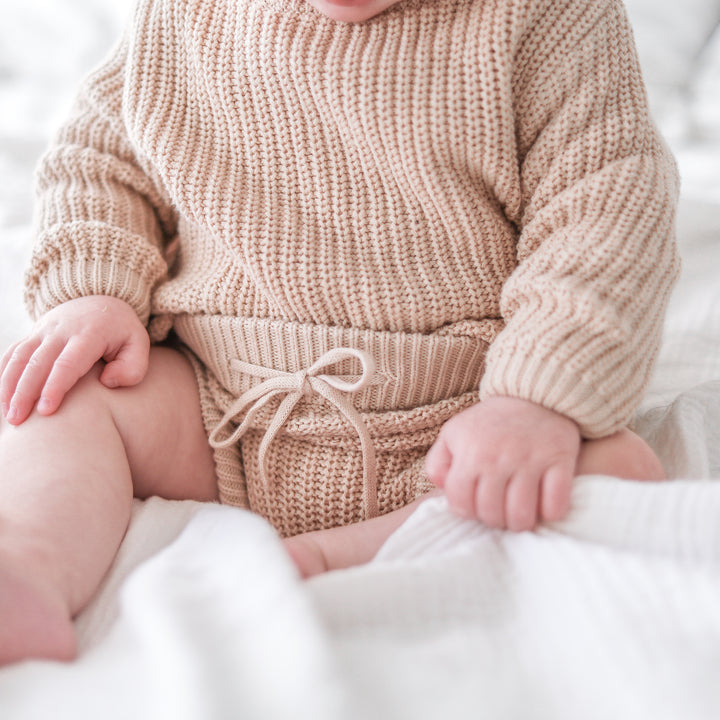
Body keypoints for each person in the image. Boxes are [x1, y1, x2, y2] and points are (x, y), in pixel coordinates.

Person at [0, 0, 678, 664]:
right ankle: (30, 565)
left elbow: (604, 213)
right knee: (62, 394)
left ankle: (351, 554)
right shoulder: (183, 15)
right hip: (221, 407)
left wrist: (533, 401)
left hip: (455, 428)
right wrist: (95, 290)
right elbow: (100, 160)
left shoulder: (550, 17)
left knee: (617, 468)